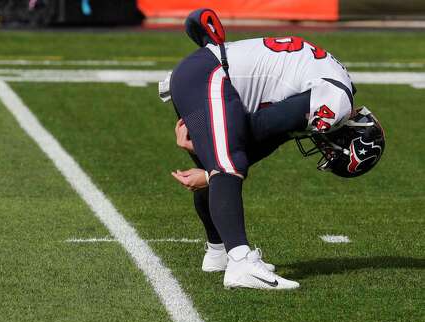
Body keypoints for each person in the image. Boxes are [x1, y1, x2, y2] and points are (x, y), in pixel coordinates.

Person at [159, 9, 385, 290]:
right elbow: (260, 127)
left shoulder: (337, 89)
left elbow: (274, 134)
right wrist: (213, 164)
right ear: (347, 138)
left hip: (204, 75)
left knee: (224, 163)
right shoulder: (335, 104)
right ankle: (241, 262)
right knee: (228, 163)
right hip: (209, 77)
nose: (325, 152)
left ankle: (218, 251)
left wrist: (211, 162)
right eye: (332, 153)